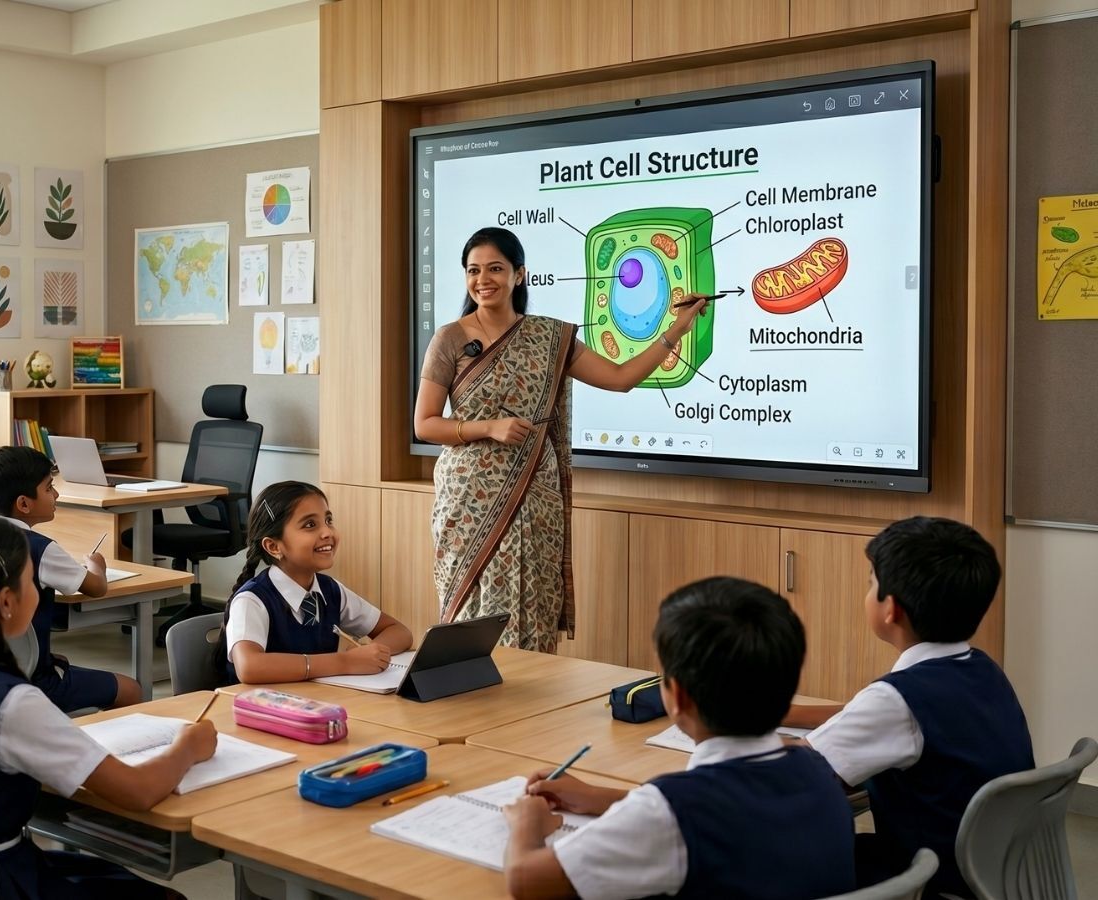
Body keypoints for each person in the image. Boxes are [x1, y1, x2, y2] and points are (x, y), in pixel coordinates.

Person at [0, 514, 216, 899]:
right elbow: (138, 791)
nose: (38, 595)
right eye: (31, 582)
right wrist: (188, 746)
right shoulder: (10, 703)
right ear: (7, 602)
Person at [413, 226, 709, 652]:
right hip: (468, 500)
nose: (483, 280)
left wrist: (676, 329)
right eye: (473, 270)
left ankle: (533, 691)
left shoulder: (551, 338)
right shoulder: (450, 338)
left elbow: (620, 378)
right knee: (470, 611)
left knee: (534, 601)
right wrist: (488, 427)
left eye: (495, 268)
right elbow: (425, 424)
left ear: (519, 274)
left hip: (536, 495)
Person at [503, 577, 855, 899]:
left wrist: (526, 825)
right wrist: (600, 797)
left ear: (678, 697)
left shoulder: (670, 814)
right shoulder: (818, 769)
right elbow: (728, 810)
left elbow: (526, 880)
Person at [782, 517, 1032, 897]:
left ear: (891, 609)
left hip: (923, 881)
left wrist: (726, 729)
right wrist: (781, 713)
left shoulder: (894, 701)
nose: (866, 591)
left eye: (871, 583)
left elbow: (797, 772)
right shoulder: (981, 668)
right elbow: (863, 714)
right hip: (986, 872)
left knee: (769, 856)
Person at [0, 445, 141, 713]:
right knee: (131, 690)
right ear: (24, 504)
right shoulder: (40, 548)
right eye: (49, 488)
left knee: (61, 659)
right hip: (34, 682)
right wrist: (96, 566)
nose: (56, 494)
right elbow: (96, 587)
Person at [221, 481, 412, 685]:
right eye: (310, 525)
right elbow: (249, 667)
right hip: (259, 703)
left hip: (316, 699)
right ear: (274, 546)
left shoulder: (331, 590)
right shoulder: (252, 600)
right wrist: (345, 662)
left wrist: (372, 654)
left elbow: (399, 632)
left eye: (328, 520)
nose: (327, 532)